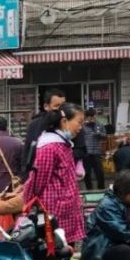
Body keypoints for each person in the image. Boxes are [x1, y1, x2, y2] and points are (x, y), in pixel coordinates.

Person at [21, 104, 87, 246]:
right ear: (64, 122)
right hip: (54, 209)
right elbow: (39, 180)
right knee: (56, 250)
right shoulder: (49, 147)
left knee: (66, 249)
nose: (81, 127)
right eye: (79, 122)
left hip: (65, 208)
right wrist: (28, 201)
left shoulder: (63, 144)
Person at [77, 109, 107, 190]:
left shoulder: (99, 125)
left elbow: (105, 136)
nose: (92, 118)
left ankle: (101, 188)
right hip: (86, 153)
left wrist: (99, 134)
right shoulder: (82, 126)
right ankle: (89, 189)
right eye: (90, 117)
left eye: (93, 116)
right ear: (86, 117)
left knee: (99, 172)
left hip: (97, 152)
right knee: (87, 173)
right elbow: (78, 137)